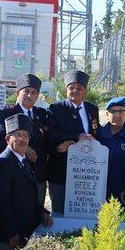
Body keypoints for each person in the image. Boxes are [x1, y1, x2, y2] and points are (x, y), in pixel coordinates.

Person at [0, 113, 53, 250]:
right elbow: (2, 202)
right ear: (8, 139)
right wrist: (11, 232)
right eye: (18, 135)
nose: (23, 139)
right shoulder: (3, 163)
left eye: (26, 135)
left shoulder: (22, 160)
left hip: (24, 229)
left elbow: (27, 195)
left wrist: (42, 211)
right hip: (10, 235)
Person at [46, 70, 99, 213]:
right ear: (66, 90)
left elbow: (96, 131)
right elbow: (52, 134)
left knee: (82, 213)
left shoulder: (92, 109)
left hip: (86, 172)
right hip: (61, 170)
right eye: (71, 88)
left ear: (85, 92)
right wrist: (77, 137)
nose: (75, 91)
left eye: (79, 88)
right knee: (60, 212)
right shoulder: (56, 108)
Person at [0, 73, 48, 206]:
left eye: (34, 92)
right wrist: (23, 149)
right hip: (14, 173)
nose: (30, 95)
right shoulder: (6, 113)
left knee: (37, 211)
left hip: (38, 174)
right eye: (26, 91)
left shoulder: (42, 114)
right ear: (18, 93)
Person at [97, 96, 125, 204]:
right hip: (97, 188)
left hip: (120, 191)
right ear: (107, 114)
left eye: (121, 111)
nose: (117, 115)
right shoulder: (97, 135)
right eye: (113, 111)